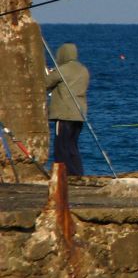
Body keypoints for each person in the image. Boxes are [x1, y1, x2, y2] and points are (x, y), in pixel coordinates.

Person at [44, 42, 89, 177]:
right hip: (79, 115)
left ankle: (64, 175)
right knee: (72, 147)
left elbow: (46, 83)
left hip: (64, 115)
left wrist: (49, 73)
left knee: (61, 147)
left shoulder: (62, 70)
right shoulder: (83, 70)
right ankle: (77, 174)